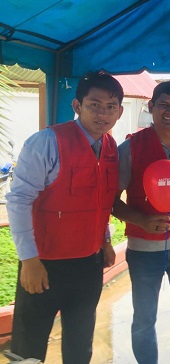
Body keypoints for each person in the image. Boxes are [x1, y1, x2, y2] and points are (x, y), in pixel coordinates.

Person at [6, 71, 124, 362]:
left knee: (80, 345)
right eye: (94, 104)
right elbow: (19, 200)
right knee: (28, 349)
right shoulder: (47, 142)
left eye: (111, 106)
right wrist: (29, 260)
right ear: (77, 106)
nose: (103, 113)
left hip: (87, 265)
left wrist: (105, 241)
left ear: (120, 111)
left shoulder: (110, 147)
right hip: (45, 264)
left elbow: (101, 200)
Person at [112, 82, 170, 364]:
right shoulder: (130, 148)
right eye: (164, 105)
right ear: (151, 107)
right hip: (143, 249)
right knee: (144, 320)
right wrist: (142, 220)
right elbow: (111, 200)